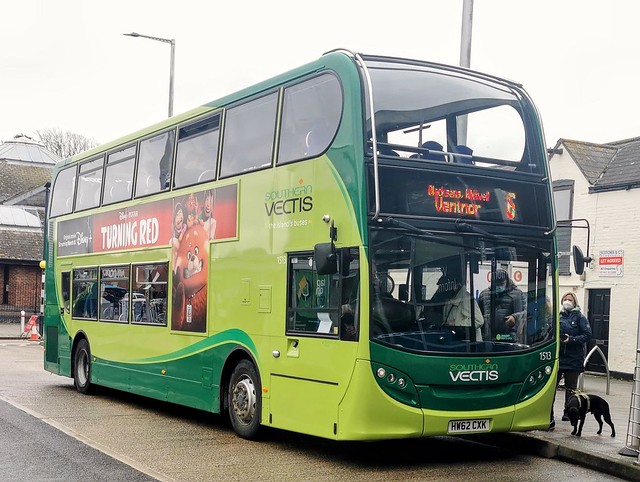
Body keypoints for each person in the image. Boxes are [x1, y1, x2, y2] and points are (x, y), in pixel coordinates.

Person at [551, 292, 592, 427]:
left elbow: (587, 335)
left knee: (571, 388)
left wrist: (572, 339)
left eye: (570, 299)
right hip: (558, 358)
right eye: (565, 299)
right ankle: (548, 412)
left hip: (573, 359)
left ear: (575, 303)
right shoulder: (558, 316)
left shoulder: (580, 317)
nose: (567, 301)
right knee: (552, 387)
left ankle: (568, 413)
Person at [478, 269, 526, 342]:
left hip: (509, 338)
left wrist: (515, 317)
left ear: (506, 281)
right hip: (489, 338)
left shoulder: (517, 294)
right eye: (497, 284)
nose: (499, 286)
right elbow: (478, 317)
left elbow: (526, 312)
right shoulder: (484, 295)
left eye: (501, 283)